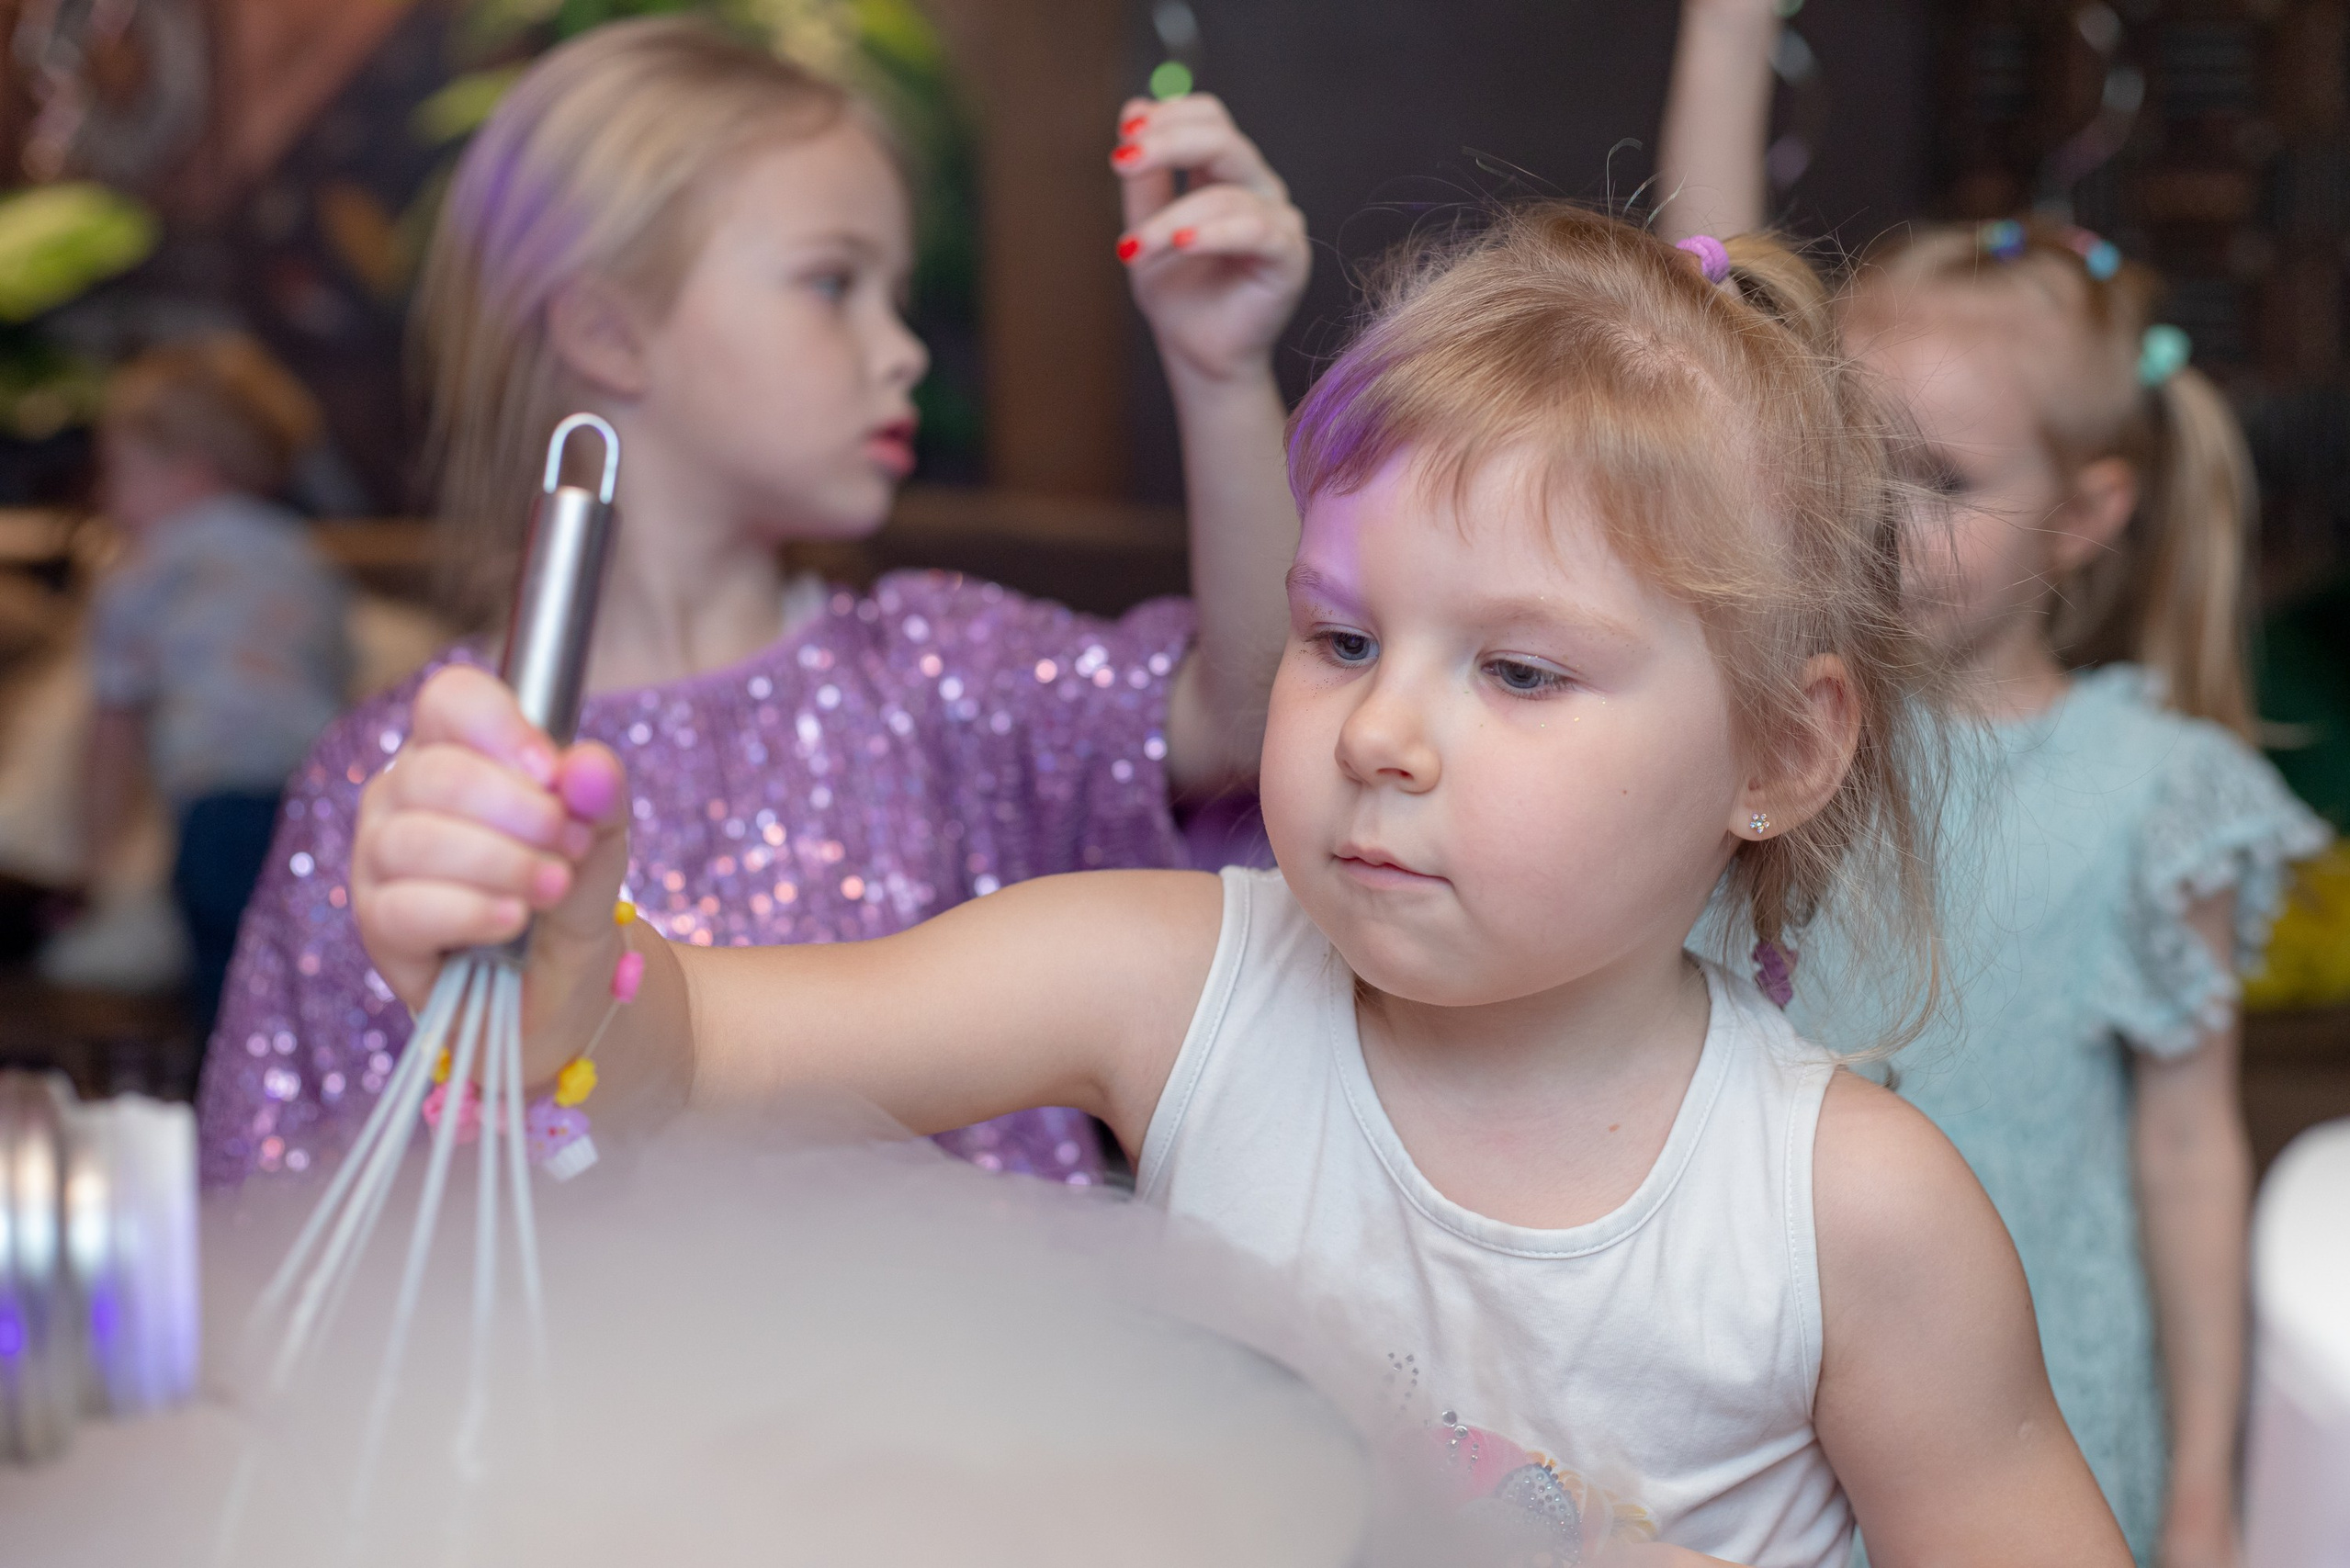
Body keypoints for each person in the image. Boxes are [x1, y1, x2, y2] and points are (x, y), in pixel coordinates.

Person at [353, 206, 2133, 1568]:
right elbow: (709, 1053)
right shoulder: (1158, 977)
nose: (1383, 733)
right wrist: (563, 963)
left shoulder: (1850, 1209)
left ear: (1775, 752)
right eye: (1340, 636)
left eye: (1517, 672)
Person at [196, 18, 1310, 1187]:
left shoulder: (938, 669)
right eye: (833, 283)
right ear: (607, 328)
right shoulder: (399, 785)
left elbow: (1256, 719)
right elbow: (268, 1201)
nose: (903, 351)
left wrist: (1221, 372)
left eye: (895, 291)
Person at [1656, 8, 2332, 1564]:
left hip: (2042, 1389)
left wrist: (2213, 1481)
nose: (1889, 517)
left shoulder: (2161, 789)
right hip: (1758, 1361)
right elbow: (1703, 297)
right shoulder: (1774, 730)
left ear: (2089, 512)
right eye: (1864, 458)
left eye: (1947, 479)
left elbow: (2187, 1149)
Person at [83, 333, 352, 1042]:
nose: (109, 497)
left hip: (220, 806)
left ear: (190, 471)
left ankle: (230, 1120)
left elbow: (114, 724)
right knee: (309, 981)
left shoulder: (142, 571)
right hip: (324, 803)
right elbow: (339, 679)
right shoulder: (306, 556)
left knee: (226, 987)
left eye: (120, 471)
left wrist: (98, 855)